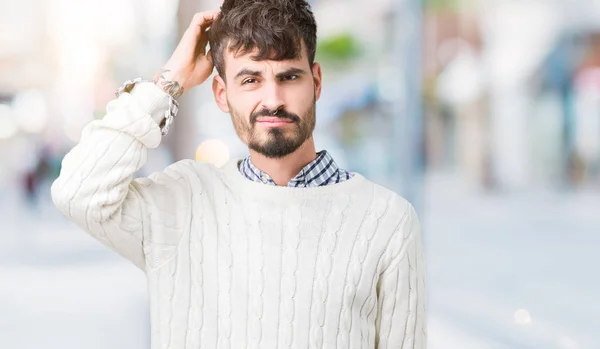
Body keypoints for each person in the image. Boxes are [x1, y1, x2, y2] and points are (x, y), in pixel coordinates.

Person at [51, 0, 427, 348]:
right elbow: (77, 191)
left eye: (289, 77)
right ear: (220, 92)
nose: (273, 99)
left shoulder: (387, 220)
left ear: (316, 81)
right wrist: (169, 81)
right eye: (250, 80)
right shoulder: (183, 202)